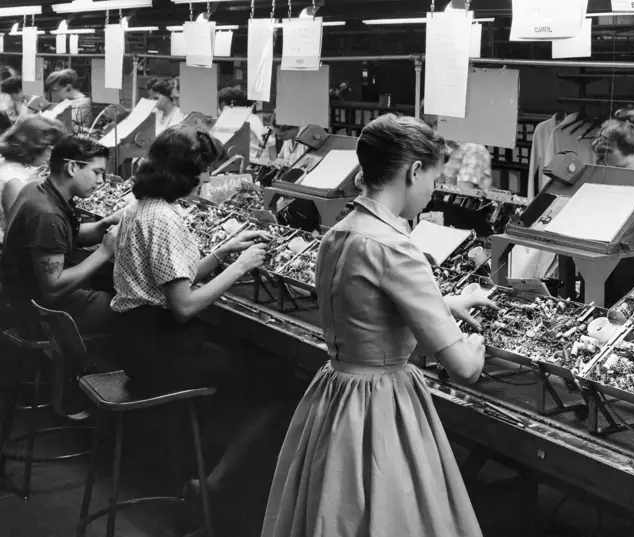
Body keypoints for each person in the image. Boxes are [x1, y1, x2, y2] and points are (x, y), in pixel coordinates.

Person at [261, 114, 496, 537]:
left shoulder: (339, 232)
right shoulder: (398, 247)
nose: (431, 194)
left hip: (337, 393)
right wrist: (475, 342)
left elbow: (367, 306)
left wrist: (446, 302)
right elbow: (464, 368)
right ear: (414, 171)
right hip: (381, 405)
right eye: (433, 182)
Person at [111, 124, 268, 392]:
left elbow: (175, 278)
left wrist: (222, 252)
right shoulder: (164, 219)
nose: (207, 178)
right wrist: (241, 266)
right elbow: (183, 308)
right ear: (183, 173)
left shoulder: (141, 206)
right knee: (265, 370)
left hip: (134, 342)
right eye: (204, 169)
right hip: (157, 352)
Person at [1, 135, 120, 333]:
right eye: (97, 172)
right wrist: (105, 251)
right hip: (39, 311)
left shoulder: (36, 188)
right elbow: (53, 288)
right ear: (72, 168)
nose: (101, 181)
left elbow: (66, 234)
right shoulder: (47, 215)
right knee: (128, 306)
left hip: (19, 294)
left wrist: (104, 224)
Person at [0, 115, 66, 242]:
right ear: (35, 146)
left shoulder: (7, 163)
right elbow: (20, 233)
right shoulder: (13, 181)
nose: (51, 154)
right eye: (50, 148)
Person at [217, 86, 275, 161]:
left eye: (223, 109)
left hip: (256, 164)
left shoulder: (252, 119)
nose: (222, 113)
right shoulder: (234, 122)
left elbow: (270, 143)